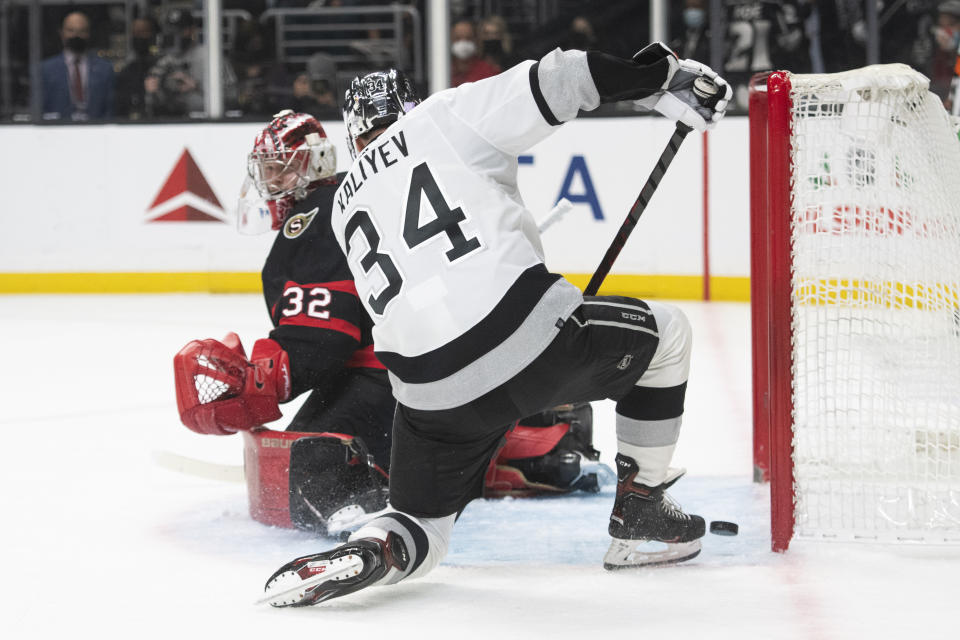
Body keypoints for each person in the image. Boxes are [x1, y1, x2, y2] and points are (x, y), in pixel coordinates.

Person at [261, 42, 731, 606]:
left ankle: (374, 549)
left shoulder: (342, 206)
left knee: (422, 525)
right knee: (669, 333)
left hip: (424, 395)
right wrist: (662, 77)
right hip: (524, 341)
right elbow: (563, 77)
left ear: (354, 134)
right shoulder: (441, 117)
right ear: (408, 108)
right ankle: (643, 511)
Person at [173, 110, 606, 535]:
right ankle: (519, 443)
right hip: (464, 354)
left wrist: (265, 379)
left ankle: (365, 513)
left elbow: (322, 341)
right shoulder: (376, 191)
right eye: (267, 172)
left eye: (279, 171)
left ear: (315, 164)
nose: (271, 185)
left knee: (305, 463)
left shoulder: (312, 218)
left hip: (397, 375)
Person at [146, 8, 238, 117]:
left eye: (181, 30)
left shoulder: (210, 56)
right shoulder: (163, 60)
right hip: (172, 121)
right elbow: (153, 103)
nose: (176, 34)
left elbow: (233, 96)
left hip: (207, 119)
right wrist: (152, 91)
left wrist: (196, 86)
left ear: (192, 30)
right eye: (171, 30)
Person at [40, 11, 115, 120]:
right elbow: (40, 109)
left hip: (97, 132)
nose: (76, 35)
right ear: (61, 33)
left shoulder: (105, 69)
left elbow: (110, 109)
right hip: (57, 132)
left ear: (89, 33)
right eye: (71, 30)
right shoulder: (45, 70)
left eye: (82, 31)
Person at [115, 17, 159, 120]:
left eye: (143, 32)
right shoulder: (127, 72)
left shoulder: (164, 65)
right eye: (135, 33)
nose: (139, 37)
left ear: (152, 34)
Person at [450, 18, 500, 86]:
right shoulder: (443, 70)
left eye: (468, 38)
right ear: (451, 39)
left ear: (476, 40)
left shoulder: (487, 71)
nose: (463, 42)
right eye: (458, 38)